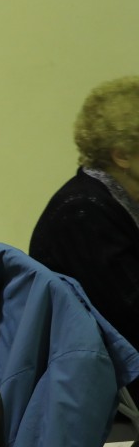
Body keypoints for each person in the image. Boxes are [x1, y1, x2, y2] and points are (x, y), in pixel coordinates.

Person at [30, 76, 139, 400]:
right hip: (104, 377)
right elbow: (130, 315)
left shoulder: (116, 201)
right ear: (122, 155)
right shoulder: (84, 214)